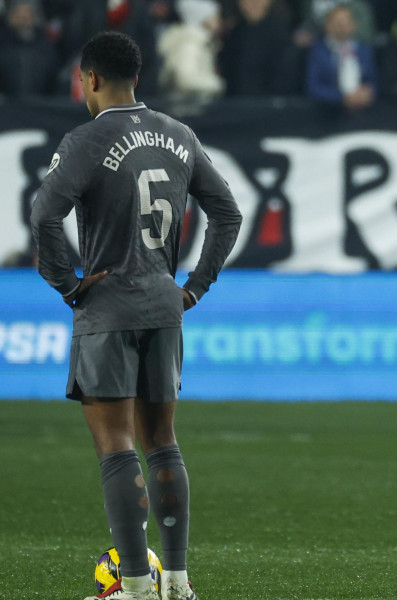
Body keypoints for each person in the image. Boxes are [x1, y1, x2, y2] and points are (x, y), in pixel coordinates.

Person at [30, 31, 242, 600]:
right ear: (137, 78)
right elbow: (228, 214)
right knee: (164, 443)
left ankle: (135, 587)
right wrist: (193, 288)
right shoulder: (178, 134)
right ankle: (177, 582)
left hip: (107, 309)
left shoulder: (86, 139)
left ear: (90, 78)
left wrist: (66, 284)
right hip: (163, 306)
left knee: (117, 448)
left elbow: (44, 214)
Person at [306, 4, 377, 111]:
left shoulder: (364, 50)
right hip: (328, 112)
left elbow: (374, 80)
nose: (342, 26)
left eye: (346, 22)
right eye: (337, 22)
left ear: (354, 25)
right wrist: (342, 97)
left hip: (364, 111)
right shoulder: (317, 52)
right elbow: (313, 87)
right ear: (327, 25)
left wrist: (366, 93)